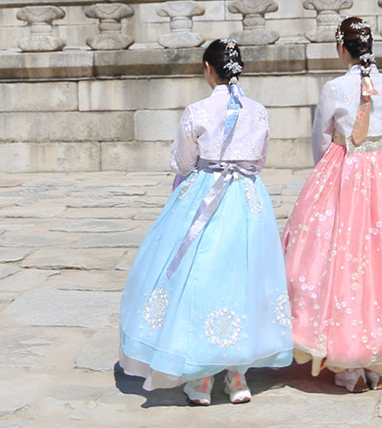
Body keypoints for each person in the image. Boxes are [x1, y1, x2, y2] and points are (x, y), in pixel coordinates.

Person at [118, 39, 293, 405]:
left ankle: (199, 379)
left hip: (204, 196)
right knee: (244, 278)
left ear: (208, 69)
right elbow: (258, 160)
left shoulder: (197, 111)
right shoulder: (258, 111)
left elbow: (182, 162)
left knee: (197, 278)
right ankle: (237, 376)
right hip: (247, 199)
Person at [281, 17, 382, 392]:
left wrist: (330, 172)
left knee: (340, 257)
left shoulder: (333, 87)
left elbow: (321, 138)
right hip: (381, 173)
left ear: (342, 48)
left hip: (344, 170)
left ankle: (346, 360)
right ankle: (380, 355)